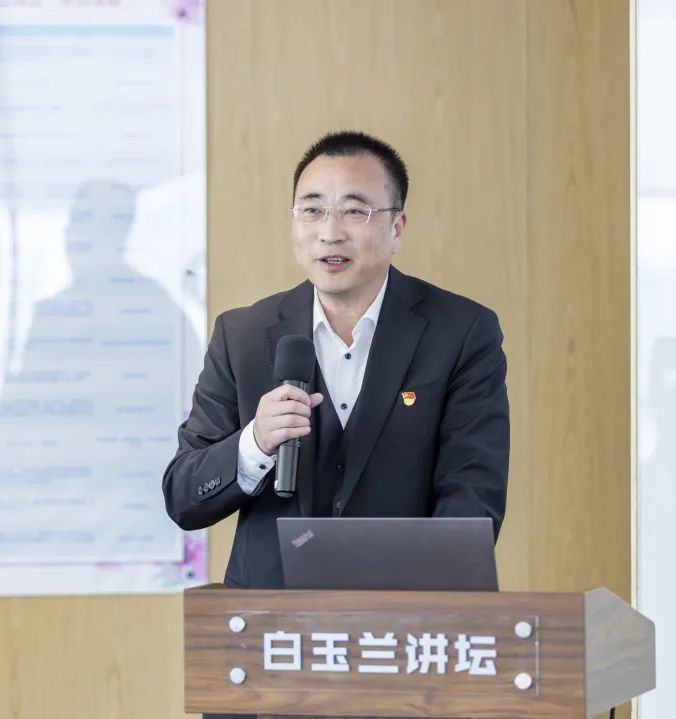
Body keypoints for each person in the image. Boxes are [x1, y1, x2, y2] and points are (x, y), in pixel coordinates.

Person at [162, 130, 510, 592]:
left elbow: (472, 493)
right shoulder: (242, 334)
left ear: (397, 228)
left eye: (353, 210)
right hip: (269, 619)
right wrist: (255, 443)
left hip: (405, 612)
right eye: (312, 210)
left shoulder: (461, 332)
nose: (329, 232)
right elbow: (184, 496)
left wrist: (424, 604)